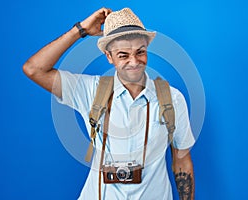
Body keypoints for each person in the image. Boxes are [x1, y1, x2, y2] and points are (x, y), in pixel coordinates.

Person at [23, 7, 195, 200]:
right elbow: (34, 69)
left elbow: (181, 160)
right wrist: (80, 30)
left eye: (140, 52)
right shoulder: (90, 90)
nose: (134, 61)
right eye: (123, 55)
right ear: (109, 56)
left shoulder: (172, 98)